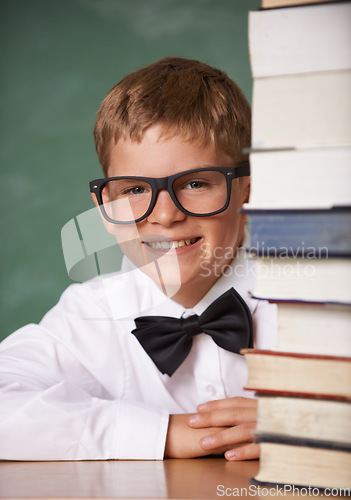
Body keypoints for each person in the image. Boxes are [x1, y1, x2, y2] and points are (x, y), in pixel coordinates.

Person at [0, 57, 277, 461]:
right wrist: (163, 435)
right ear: (103, 208)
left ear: (248, 191)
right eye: (134, 190)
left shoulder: (316, 298)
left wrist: (314, 424)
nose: (164, 215)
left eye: (196, 183)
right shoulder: (89, 315)